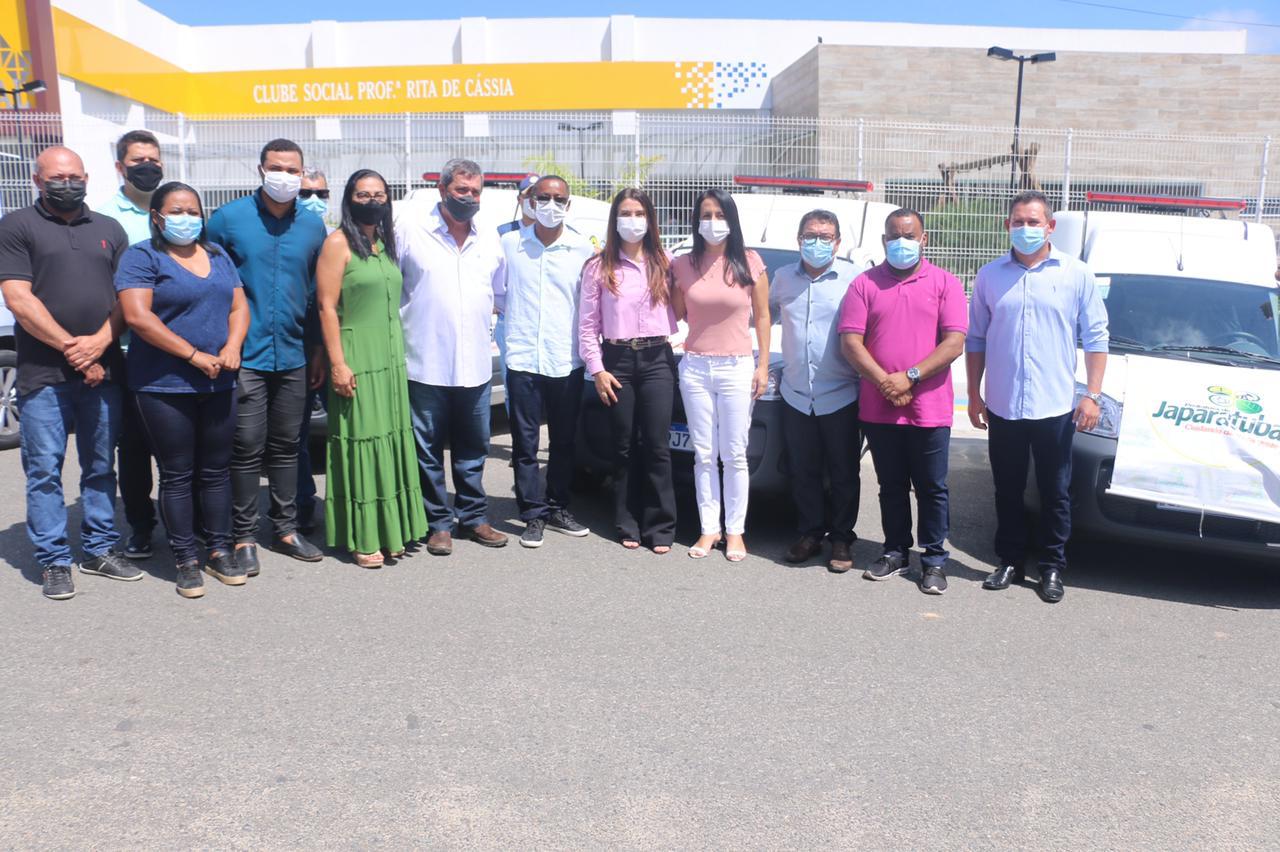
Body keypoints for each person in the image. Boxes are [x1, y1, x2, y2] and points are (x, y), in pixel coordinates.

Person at [0, 146, 139, 600]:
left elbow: (128, 298)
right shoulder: (17, 226)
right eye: (57, 178)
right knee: (44, 470)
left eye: (75, 176)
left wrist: (99, 342)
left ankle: (99, 548)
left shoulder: (109, 228)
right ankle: (54, 560)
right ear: (37, 181)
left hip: (104, 371)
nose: (67, 184)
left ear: (87, 178)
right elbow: (19, 299)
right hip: (44, 375)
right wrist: (74, 349)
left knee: (100, 465)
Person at [966, 190, 1109, 604]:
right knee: (1007, 488)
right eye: (1018, 222)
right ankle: (1010, 560)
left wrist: (1092, 394)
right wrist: (974, 394)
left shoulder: (1077, 274)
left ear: (1050, 227)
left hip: (1055, 406)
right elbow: (976, 339)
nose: (1025, 229)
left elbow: (1096, 337)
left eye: (1033, 222)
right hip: (1004, 403)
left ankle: (1051, 566)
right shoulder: (990, 276)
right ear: (1007, 226)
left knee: (1055, 491)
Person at [115, 182, 249, 599]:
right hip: (164, 385)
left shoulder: (217, 254)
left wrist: (232, 346)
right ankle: (186, 559)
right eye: (176, 211)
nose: (187, 218)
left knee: (216, 471)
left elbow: (239, 306)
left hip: (219, 379)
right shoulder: (142, 256)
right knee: (177, 473)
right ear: (156, 217)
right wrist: (192, 355)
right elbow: (138, 317)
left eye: (193, 211)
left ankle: (219, 550)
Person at [206, 138, 327, 578]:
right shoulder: (228, 219)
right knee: (246, 447)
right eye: (277, 168)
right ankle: (243, 536)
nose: (285, 176)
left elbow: (316, 294)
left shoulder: (313, 226)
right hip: (244, 354)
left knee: (287, 445)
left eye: (293, 170)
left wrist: (317, 349)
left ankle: (286, 530)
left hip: (294, 353)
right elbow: (208, 279)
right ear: (261, 170)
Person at [839, 208, 967, 595]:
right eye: (894, 236)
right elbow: (850, 342)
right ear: (883, 241)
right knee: (891, 485)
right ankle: (895, 551)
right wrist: (886, 382)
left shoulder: (945, 283)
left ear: (924, 239)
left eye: (909, 236)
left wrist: (909, 376)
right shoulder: (863, 284)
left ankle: (934, 559)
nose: (901, 242)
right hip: (879, 408)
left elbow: (954, 343)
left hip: (930, 408)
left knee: (932, 487)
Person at [397, 158, 509, 556]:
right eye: (462, 190)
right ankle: (437, 524)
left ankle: (474, 518)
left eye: (475, 191)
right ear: (443, 190)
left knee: (473, 449)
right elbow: (391, 285)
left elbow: (499, 294)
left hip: (474, 365)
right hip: (424, 363)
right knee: (426, 451)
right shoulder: (410, 230)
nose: (469, 197)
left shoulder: (489, 236)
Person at [316, 169, 428, 567]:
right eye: (363, 194)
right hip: (356, 356)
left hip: (389, 355)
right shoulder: (337, 243)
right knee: (362, 441)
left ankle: (391, 529)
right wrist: (337, 364)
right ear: (349, 199)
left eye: (379, 194)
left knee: (391, 438)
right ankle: (364, 536)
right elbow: (326, 306)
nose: (372, 201)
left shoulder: (384, 242)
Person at [670, 188, 771, 562]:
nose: (712, 222)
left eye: (719, 215)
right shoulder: (683, 264)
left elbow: (763, 316)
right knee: (703, 454)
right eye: (706, 215)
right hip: (695, 367)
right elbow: (677, 312)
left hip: (736, 367)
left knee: (734, 454)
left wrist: (762, 365)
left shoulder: (749, 261)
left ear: (731, 218)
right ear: (697, 221)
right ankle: (708, 528)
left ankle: (735, 532)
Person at [497, 175, 596, 549]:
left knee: (564, 441)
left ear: (568, 205)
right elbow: (498, 294)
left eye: (558, 199)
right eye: (543, 197)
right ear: (530, 201)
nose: (550, 205)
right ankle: (532, 514)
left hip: (565, 360)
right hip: (523, 358)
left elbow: (589, 303)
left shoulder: (582, 249)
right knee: (524, 443)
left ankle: (557, 506)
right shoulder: (510, 245)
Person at [578, 188, 677, 553]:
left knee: (657, 444)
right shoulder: (598, 266)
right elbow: (587, 325)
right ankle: (626, 521)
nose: (632, 220)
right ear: (614, 219)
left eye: (639, 213)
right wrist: (597, 369)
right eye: (625, 213)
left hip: (657, 358)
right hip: (616, 359)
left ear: (650, 219)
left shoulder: (665, 262)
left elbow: (686, 306)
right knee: (622, 446)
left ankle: (660, 525)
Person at [768, 210, 864, 573]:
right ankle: (810, 533)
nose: (817, 243)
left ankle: (841, 538)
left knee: (843, 471)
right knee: (803, 469)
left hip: (841, 392)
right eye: (811, 236)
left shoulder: (854, 279)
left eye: (825, 237)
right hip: (795, 392)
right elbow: (762, 316)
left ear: (837, 243)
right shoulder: (782, 279)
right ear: (799, 239)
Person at [96, 129, 164, 560]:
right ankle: (141, 525)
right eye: (138, 161)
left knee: (180, 443)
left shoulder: (175, 208)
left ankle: (186, 521)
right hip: (126, 349)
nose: (148, 167)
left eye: (154, 160)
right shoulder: (105, 218)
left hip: (176, 346)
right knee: (133, 445)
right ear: (121, 167)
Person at [296, 166, 331, 535]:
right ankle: (303, 506)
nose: (314, 201)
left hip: (338, 350)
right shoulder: (289, 237)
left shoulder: (336, 239)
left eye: (321, 194)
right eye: (306, 193)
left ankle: (346, 504)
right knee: (298, 434)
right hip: (301, 349)